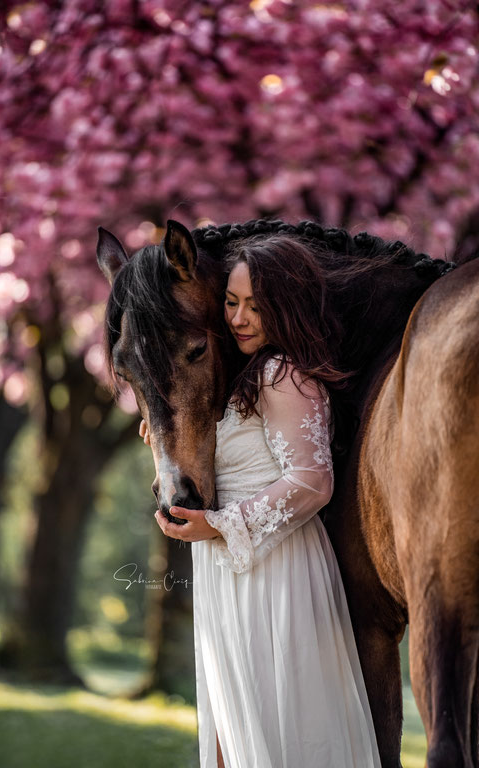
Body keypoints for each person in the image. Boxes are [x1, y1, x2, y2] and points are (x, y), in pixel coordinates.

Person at [149, 234, 382, 768]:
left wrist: (220, 526)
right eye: (231, 302)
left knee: (272, 731)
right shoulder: (246, 378)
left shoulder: (284, 375)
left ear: (286, 303)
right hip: (233, 571)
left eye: (256, 304)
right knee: (234, 737)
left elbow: (311, 482)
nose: (239, 317)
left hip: (271, 574)